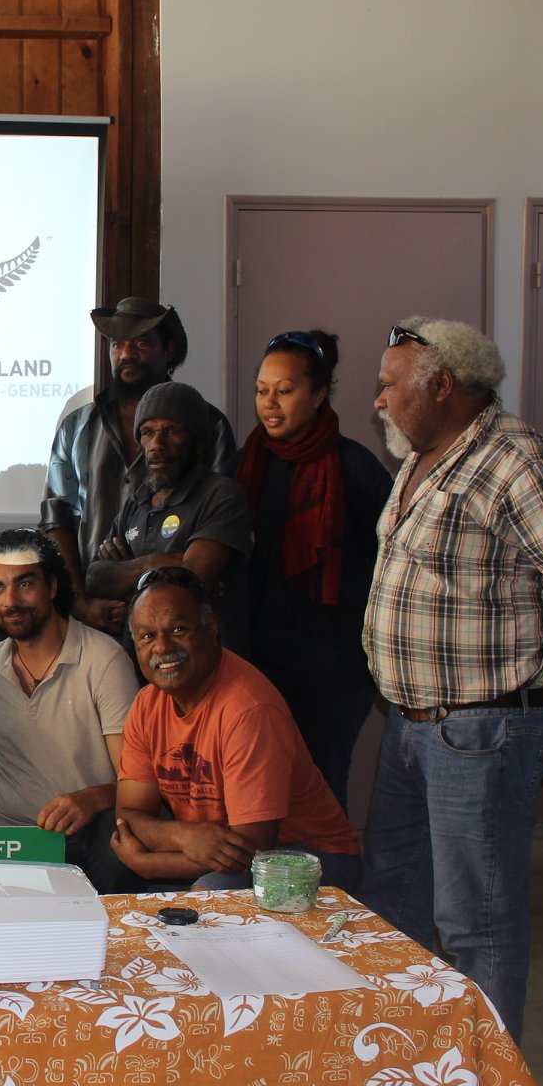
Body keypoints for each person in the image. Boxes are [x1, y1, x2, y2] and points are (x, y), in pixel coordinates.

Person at [363, 317, 543, 1042]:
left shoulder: (517, 462)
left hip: (482, 731)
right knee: (397, 900)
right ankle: (422, 1067)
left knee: (475, 921)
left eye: (391, 385)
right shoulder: (428, 458)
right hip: (414, 724)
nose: (379, 401)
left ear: (443, 385)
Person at [110, 568, 362, 891]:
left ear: (211, 628)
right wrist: (183, 835)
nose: (161, 647)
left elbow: (251, 850)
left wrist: (147, 864)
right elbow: (128, 816)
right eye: (147, 636)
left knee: (208, 896)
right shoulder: (147, 705)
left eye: (178, 629)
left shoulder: (248, 709)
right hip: (219, 854)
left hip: (307, 859)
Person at [230, 330, 393, 808]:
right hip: (258, 662)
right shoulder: (242, 467)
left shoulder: (355, 469)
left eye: (285, 389)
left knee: (320, 795)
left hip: (332, 669)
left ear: (319, 394)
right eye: (262, 390)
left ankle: (328, 884)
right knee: (258, 791)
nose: (270, 403)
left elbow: (390, 569)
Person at [0, 528, 142, 890]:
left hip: (80, 839)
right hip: (0, 841)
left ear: (53, 586)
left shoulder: (103, 659)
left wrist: (91, 799)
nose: (10, 600)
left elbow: (136, 780)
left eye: (24, 583)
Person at [44, 298, 237, 632]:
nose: (126, 354)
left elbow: (215, 532)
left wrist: (141, 568)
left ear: (170, 349)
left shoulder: (209, 425)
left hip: (180, 620)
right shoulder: (76, 427)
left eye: (142, 343)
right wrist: (79, 603)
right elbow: (57, 519)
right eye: (117, 344)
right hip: (94, 617)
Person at [85, 382, 253, 650]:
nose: (157, 444)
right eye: (148, 432)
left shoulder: (221, 494)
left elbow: (189, 584)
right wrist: (156, 562)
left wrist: (129, 583)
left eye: (172, 431)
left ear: (198, 443)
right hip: (141, 661)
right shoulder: (136, 502)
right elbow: (95, 579)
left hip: (204, 662)